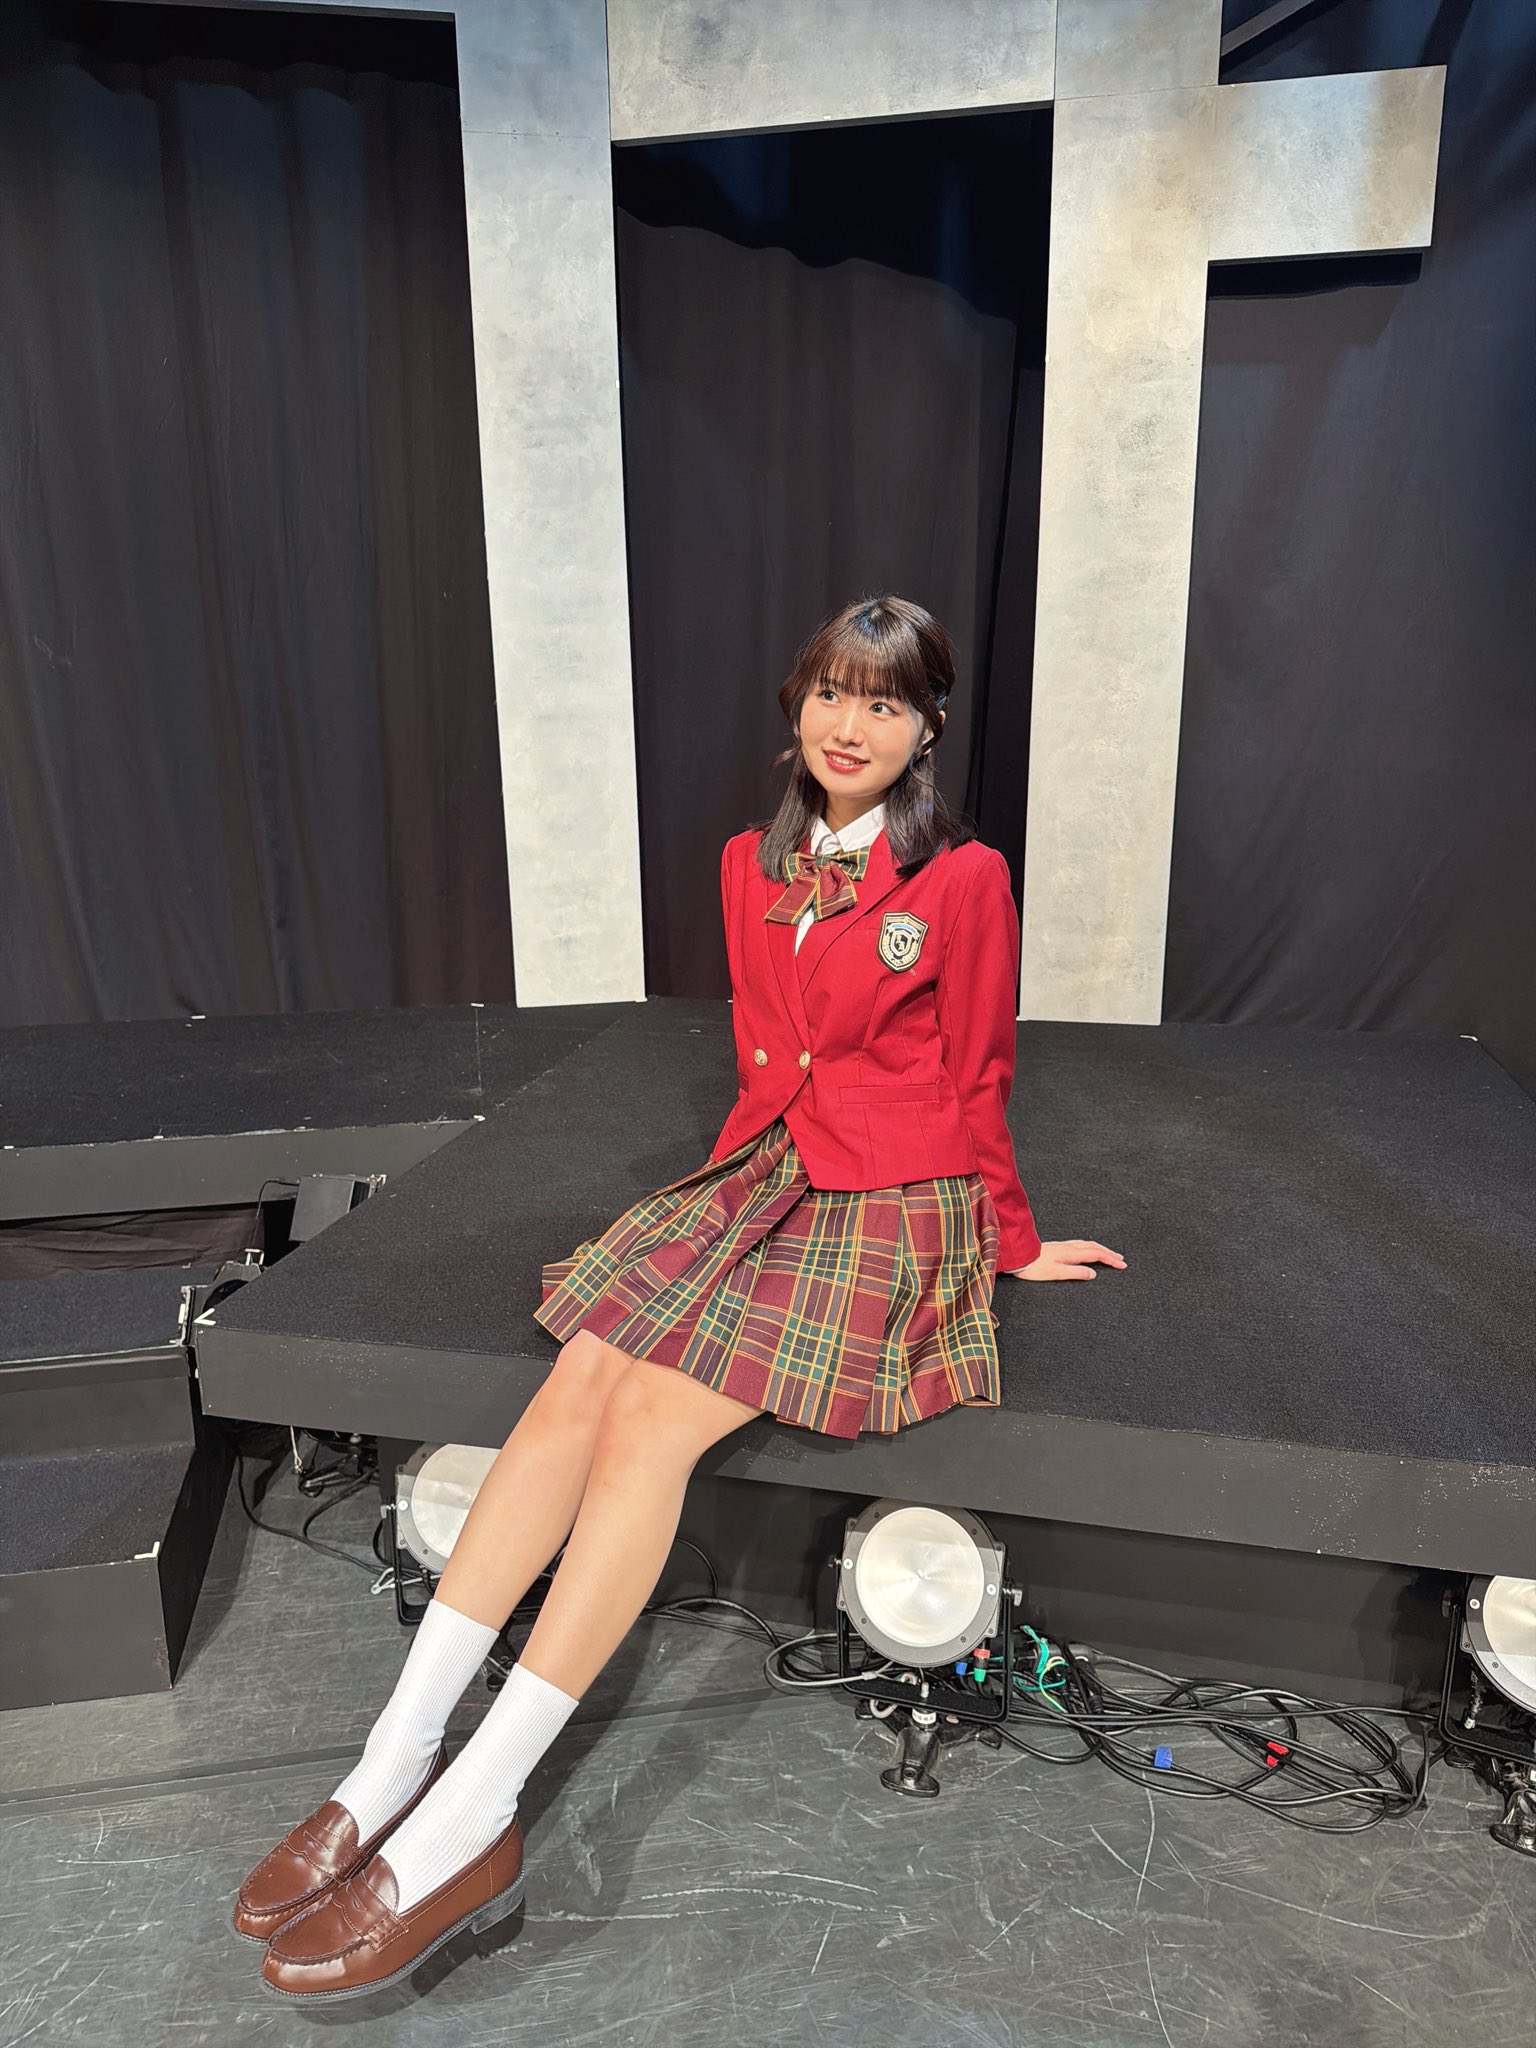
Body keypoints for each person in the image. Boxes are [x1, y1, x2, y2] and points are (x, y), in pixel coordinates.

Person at [237, 593, 1126, 2001]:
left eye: (886, 704)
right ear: (796, 705)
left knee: (652, 1417)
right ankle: (389, 1763)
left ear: (927, 730)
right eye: (832, 693)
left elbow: (980, 1072)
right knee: (585, 1367)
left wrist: (1004, 1239)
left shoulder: (962, 879)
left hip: (897, 1197)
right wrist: (727, 1203)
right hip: (769, 1168)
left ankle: (477, 1812)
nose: (851, 726)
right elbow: (769, 1058)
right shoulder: (744, 863)